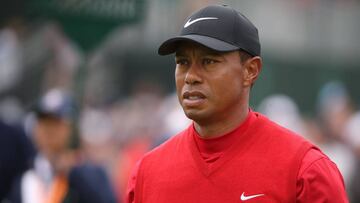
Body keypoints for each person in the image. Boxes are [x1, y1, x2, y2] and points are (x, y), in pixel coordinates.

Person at [126, 4, 348, 203]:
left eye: (209, 61)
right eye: (183, 62)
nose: (190, 76)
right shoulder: (148, 172)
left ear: (250, 71)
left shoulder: (304, 171)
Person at [9, 88, 117, 203]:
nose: (48, 130)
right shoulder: (25, 179)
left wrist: (74, 172)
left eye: (56, 123)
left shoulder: (92, 174)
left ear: (73, 129)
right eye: (43, 122)